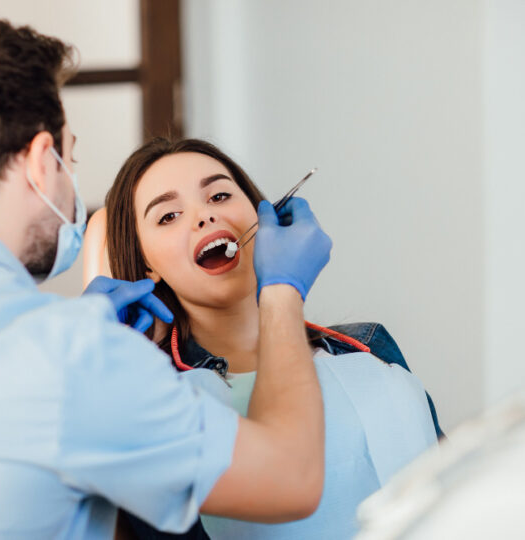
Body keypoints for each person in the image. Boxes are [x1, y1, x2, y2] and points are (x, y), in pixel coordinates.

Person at [0, 13, 333, 539]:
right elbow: (291, 476)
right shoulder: (71, 352)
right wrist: (282, 291)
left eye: (218, 194)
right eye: (71, 158)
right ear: (42, 160)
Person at [97, 138, 440, 539]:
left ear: (264, 216)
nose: (204, 216)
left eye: (220, 195)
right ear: (146, 264)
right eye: (169, 216)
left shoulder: (368, 346)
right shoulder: (154, 404)